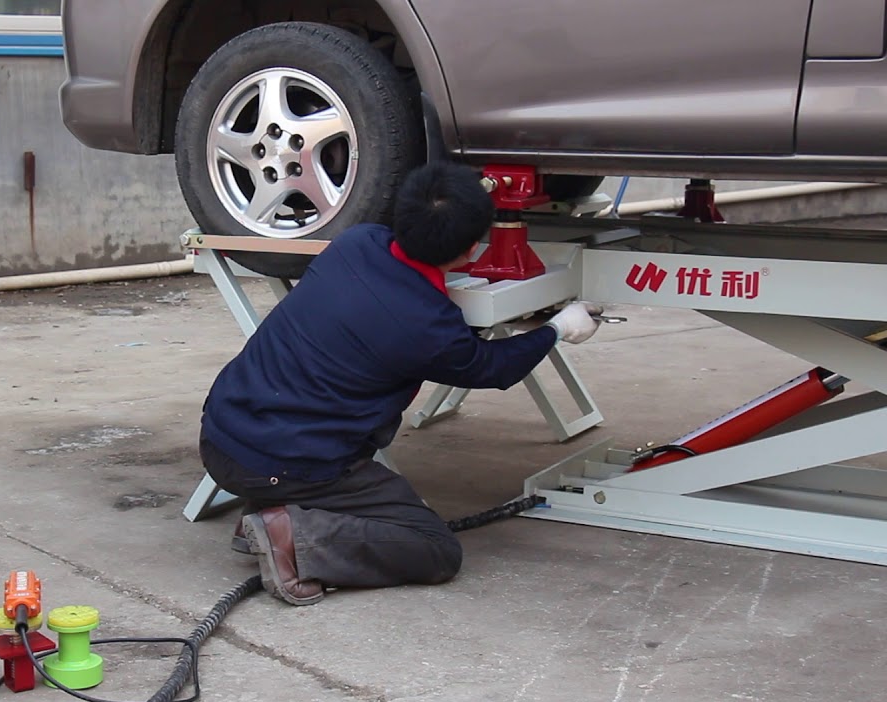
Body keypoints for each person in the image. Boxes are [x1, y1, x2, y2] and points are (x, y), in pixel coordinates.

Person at [197, 162, 605, 606]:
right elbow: (492, 367)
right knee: (433, 547)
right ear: (470, 249)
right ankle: (296, 537)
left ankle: (267, 513)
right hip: (286, 461)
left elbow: (430, 330)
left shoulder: (355, 243)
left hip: (223, 435)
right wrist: (558, 328)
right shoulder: (426, 327)